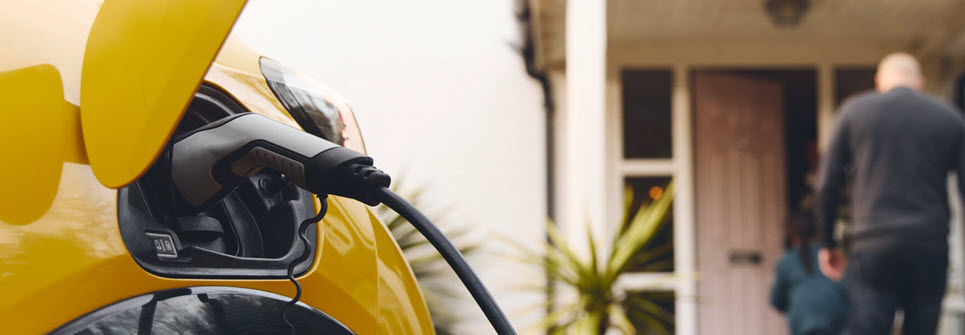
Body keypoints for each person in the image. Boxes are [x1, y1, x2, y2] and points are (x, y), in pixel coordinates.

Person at [817, 52, 964, 334]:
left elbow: (828, 183)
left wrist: (827, 242)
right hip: (929, 245)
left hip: (873, 246)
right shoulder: (949, 118)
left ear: (878, 82)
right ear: (919, 82)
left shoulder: (854, 112)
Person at [771, 211, 848, 335]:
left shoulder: (786, 261)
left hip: (802, 322)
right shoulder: (833, 257)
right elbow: (847, 290)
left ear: (791, 234)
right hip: (835, 320)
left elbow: (777, 301)